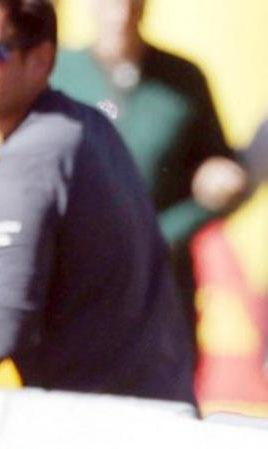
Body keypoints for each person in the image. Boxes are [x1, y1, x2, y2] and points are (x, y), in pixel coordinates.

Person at [0, 0, 195, 405]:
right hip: (161, 409)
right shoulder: (86, 124)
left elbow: (1, 325)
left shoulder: (31, 157)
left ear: (40, 59)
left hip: (105, 433)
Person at [51, 0, 248, 345]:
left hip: (162, 283)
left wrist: (212, 185)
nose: (121, 10)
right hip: (79, 280)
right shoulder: (58, 72)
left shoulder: (182, 78)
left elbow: (220, 170)